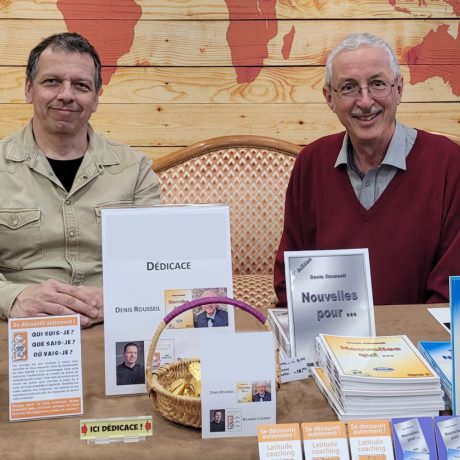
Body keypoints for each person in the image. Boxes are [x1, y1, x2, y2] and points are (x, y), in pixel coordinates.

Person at [274, 32, 460, 307]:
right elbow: (291, 279)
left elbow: (451, 291)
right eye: (348, 87)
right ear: (329, 98)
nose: (365, 101)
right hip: (330, 341)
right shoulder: (310, 163)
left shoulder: (448, 162)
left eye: (377, 84)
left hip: (421, 344)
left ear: (398, 90)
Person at [0, 32, 161, 326]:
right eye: (52, 82)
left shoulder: (134, 170)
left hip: (112, 325)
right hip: (18, 327)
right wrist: (14, 298)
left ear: (96, 98)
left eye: (81, 85)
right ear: (28, 89)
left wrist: (116, 299)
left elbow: (155, 263)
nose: (66, 94)